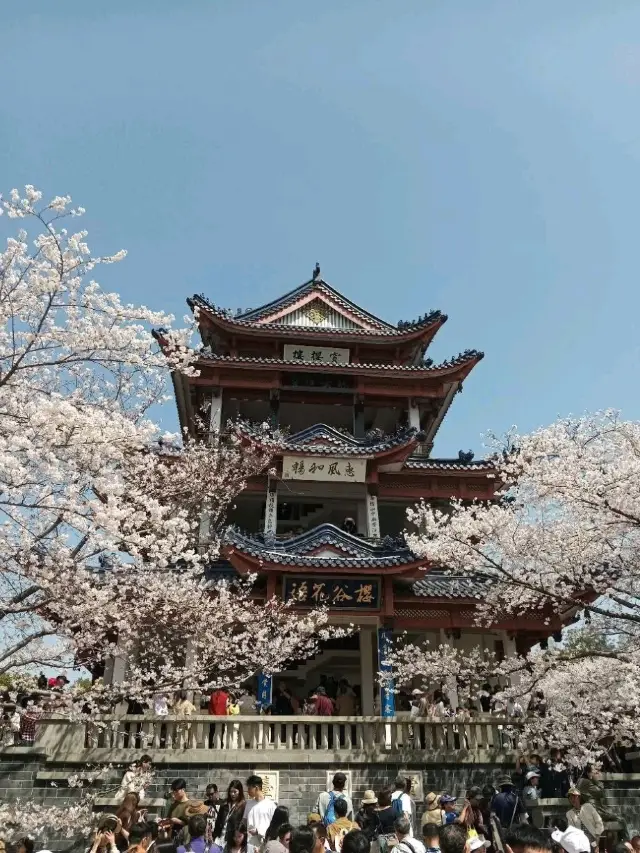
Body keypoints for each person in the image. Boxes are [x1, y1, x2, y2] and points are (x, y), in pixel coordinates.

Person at [577, 766, 627, 838]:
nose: (598, 774)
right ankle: (626, 840)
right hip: (596, 810)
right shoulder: (587, 782)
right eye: (595, 772)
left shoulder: (582, 781)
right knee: (622, 819)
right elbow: (601, 793)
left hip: (592, 809)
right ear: (588, 773)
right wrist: (597, 781)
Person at [244, 774, 277, 853]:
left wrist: (259, 832)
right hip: (250, 844)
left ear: (256, 788)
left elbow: (275, 826)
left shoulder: (271, 805)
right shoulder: (248, 804)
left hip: (266, 844)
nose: (248, 791)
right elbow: (244, 821)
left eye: (249, 788)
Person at [214, 780, 246, 846]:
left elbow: (243, 827)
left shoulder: (243, 806)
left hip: (232, 841)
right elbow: (218, 822)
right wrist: (214, 836)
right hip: (219, 840)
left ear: (240, 792)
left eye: (235, 792)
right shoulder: (224, 804)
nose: (232, 794)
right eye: (231, 791)